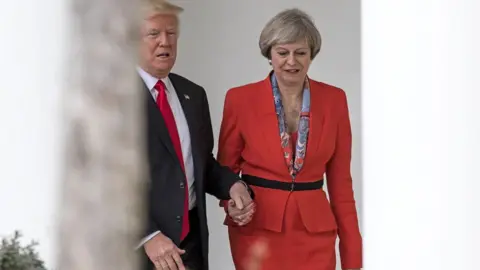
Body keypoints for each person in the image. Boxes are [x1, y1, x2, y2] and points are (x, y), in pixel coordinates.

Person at [217, 8, 363, 270]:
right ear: (269, 55)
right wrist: (231, 204)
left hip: (315, 234)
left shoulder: (334, 100)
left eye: (301, 53)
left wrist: (353, 259)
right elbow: (224, 171)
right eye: (283, 53)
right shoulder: (239, 99)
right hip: (258, 230)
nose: (291, 61)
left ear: (311, 55)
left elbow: (342, 186)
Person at [136, 1, 254, 269]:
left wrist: (234, 186)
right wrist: (148, 235)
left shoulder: (193, 94)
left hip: (191, 246)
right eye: (154, 34)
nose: (165, 42)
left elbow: (203, 163)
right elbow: (108, 179)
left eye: (171, 33)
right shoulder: (116, 99)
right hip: (141, 251)